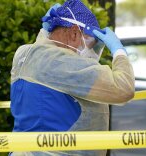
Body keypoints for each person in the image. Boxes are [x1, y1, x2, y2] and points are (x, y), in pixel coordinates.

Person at [10, 0, 134, 155]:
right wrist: (119, 51)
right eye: (92, 44)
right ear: (75, 33)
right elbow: (123, 89)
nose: (92, 53)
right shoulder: (64, 62)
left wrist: (45, 32)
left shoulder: (24, 54)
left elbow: (42, 48)